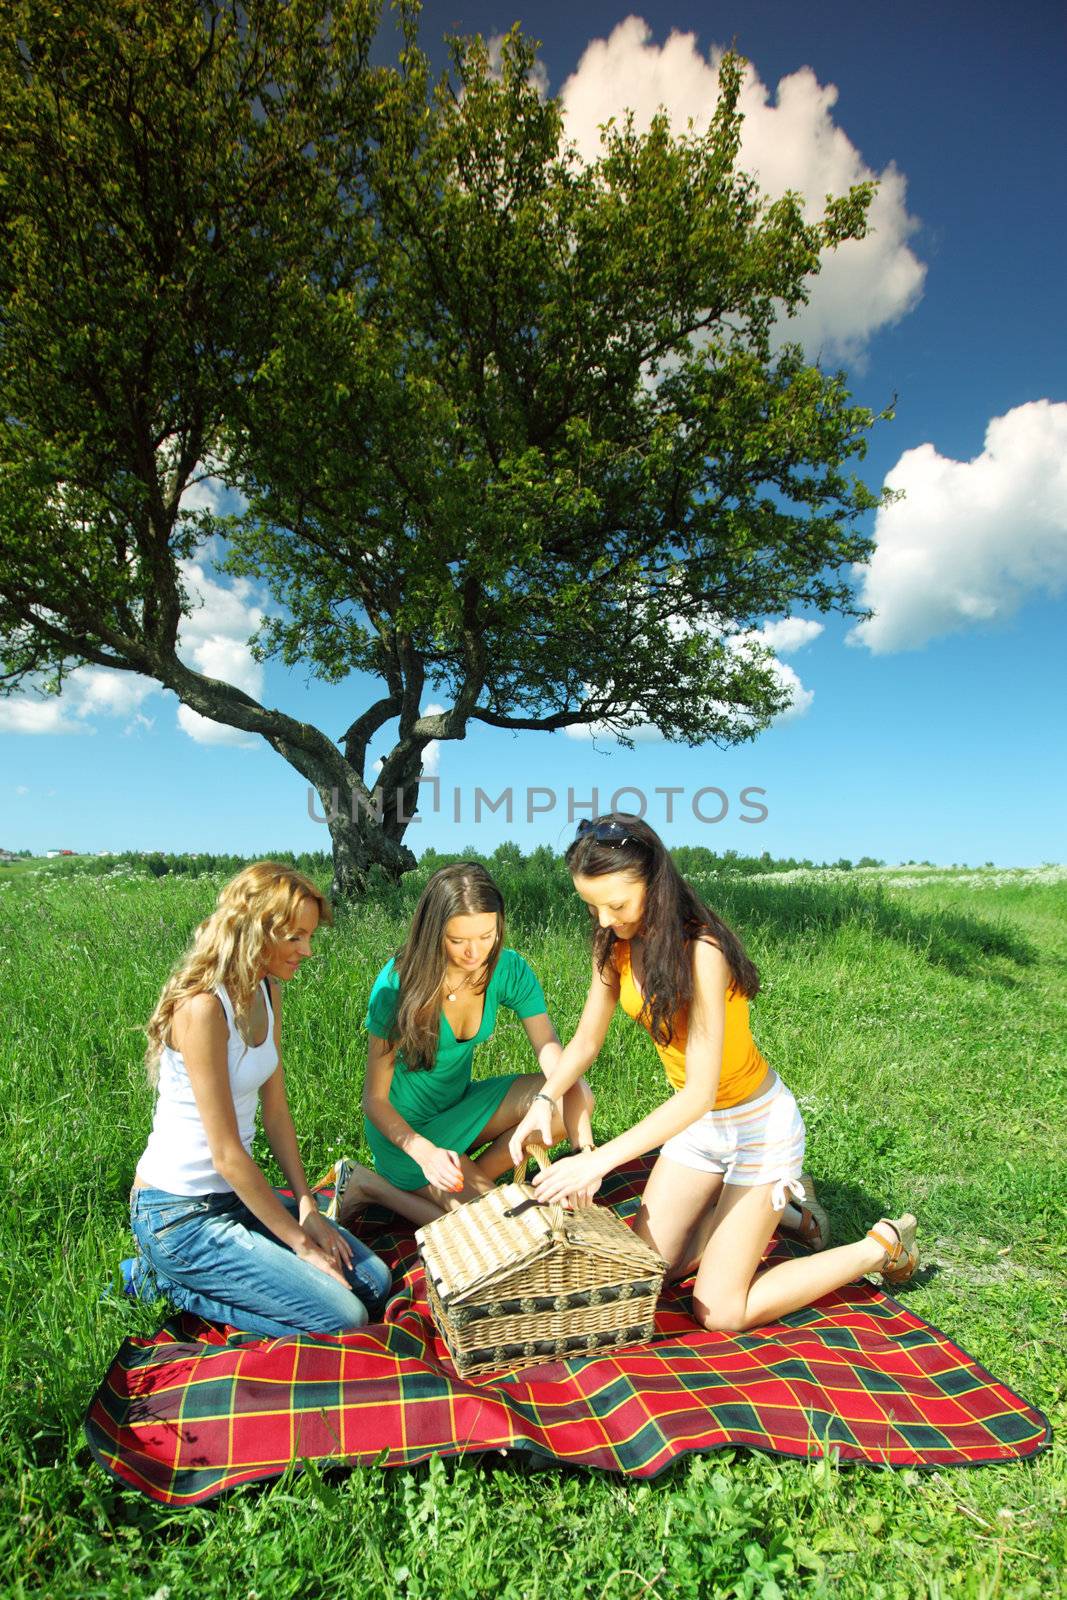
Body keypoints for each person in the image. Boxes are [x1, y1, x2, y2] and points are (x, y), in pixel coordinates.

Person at [508, 817, 918, 1332]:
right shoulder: (612, 944)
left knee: (717, 1311)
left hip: (756, 1128)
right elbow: (587, 1042)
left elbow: (700, 1092)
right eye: (592, 906)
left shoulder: (703, 951)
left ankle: (880, 1246)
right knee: (650, 1272)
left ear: (655, 885)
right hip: (699, 1131)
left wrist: (598, 1162)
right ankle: (788, 1213)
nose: (605, 919)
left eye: (617, 904)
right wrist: (544, 1102)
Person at [128, 862, 391, 1337]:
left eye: (309, 936)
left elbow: (276, 1109)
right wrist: (300, 1246)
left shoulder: (268, 989)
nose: (307, 951)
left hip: (236, 1199)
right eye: (295, 937)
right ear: (255, 930)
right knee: (344, 1317)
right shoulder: (203, 1008)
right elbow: (227, 1154)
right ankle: (162, 1279)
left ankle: (229, 1266)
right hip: (179, 1214)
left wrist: (309, 1205)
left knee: (374, 1282)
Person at [333, 862, 594, 1229]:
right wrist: (424, 1154)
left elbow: (549, 1044)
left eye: (486, 936)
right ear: (433, 933)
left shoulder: (507, 968)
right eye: (458, 941)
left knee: (573, 1091)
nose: (475, 953)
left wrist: (581, 1147)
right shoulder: (396, 985)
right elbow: (373, 1101)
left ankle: (464, 1183)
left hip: (460, 1109)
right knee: (504, 1226)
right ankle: (375, 1187)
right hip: (407, 1134)